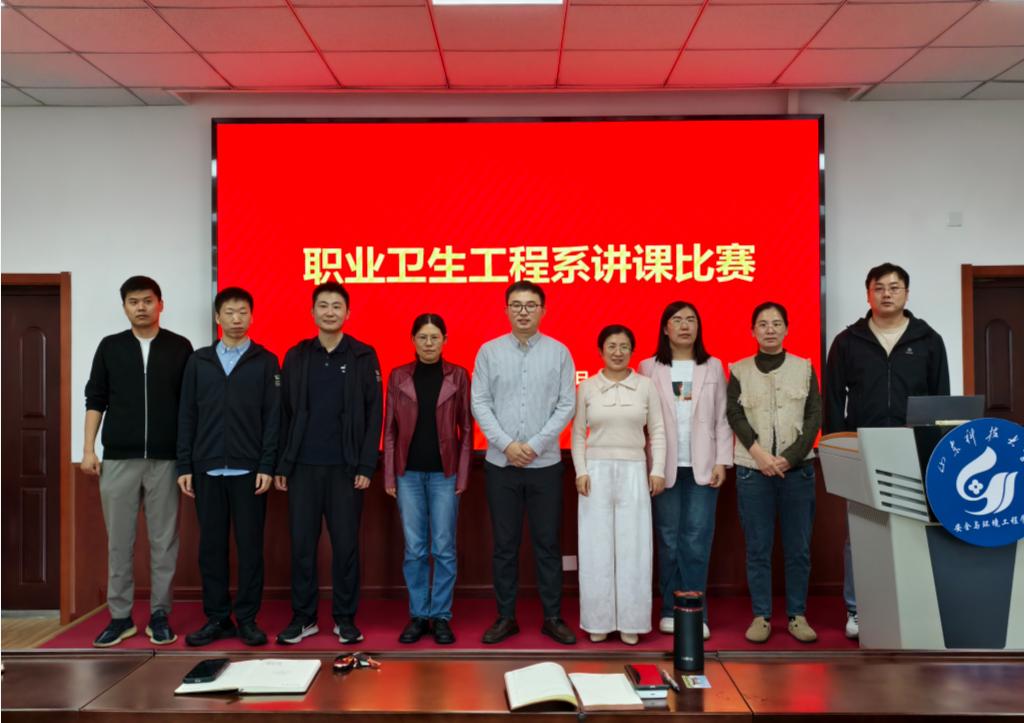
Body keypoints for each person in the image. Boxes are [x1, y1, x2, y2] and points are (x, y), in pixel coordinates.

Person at [824, 262, 949, 639]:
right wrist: (838, 447)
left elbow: (940, 397)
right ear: (868, 294)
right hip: (864, 446)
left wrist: (935, 449)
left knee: (913, 527)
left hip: (914, 448)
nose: (887, 294)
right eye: (879, 288)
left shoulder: (928, 340)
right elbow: (833, 400)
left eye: (894, 287)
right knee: (860, 531)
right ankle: (857, 608)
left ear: (906, 293)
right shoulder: (848, 341)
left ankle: (913, 605)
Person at [83, 276, 193, 647]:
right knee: (119, 542)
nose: (141, 307)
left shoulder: (179, 347)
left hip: (166, 460)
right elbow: (95, 399)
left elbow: (189, 406)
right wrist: (88, 449)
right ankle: (120, 617)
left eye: (147, 300)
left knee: (164, 542)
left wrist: (187, 458)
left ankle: (160, 614)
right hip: (118, 460)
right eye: (133, 301)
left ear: (161, 304)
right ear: (125, 307)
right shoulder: (110, 347)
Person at [274, 281, 383, 646]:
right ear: (312, 312)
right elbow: (284, 414)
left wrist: (366, 466)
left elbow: (374, 414)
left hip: (346, 469)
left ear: (348, 313)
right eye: (323, 305)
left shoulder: (363, 356)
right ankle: (303, 617)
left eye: (337, 306)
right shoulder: (296, 355)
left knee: (346, 547)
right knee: (302, 546)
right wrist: (283, 465)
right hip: (302, 467)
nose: (330, 311)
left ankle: (344, 619)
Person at [471, 281, 577, 645]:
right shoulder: (489, 351)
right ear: (505, 310)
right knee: (504, 545)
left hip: (545, 465)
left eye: (531, 305)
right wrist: (506, 445)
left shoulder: (560, 352)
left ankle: (552, 617)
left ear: (543, 311)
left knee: (547, 544)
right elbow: (480, 403)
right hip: (501, 466)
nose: (523, 311)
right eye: (516, 305)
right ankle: (505, 617)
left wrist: (533, 445)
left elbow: (566, 404)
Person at [176, 287, 280, 647]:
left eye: (243, 312)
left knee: (250, 549)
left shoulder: (266, 361)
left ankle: (247, 619)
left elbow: (273, 418)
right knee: (211, 548)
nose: (236, 319)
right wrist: (184, 464)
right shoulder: (199, 361)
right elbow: (187, 415)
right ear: (217, 317)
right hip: (206, 470)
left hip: (249, 472)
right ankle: (217, 618)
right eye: (230, 312)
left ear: (252, 316)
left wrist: (267, 464)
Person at [727, 302, 822, 644]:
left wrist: (789, 458)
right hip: (753, 471)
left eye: (776, 323)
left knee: (798, 548)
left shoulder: (804, 368)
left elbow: (814, 416)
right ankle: (762, 616)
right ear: (752, 331)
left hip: (798, 471)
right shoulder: (739, 370)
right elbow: (734, 415)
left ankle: (797, 615)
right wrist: (760, 455)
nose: (770, 329)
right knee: (758, 548)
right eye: (763, 324)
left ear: (786, 329)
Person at [639, 301, 732, 641]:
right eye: (677, 320)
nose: (684, 325)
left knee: (696, 540)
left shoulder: (712, 366)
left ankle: (695, 612)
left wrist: (722, 460)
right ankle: (669, 610)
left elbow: (722, 418)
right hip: (663, 467)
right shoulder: (648, 367)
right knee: (667, 540)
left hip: (702, 466)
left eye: (691, 319)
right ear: (665, 328)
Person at [572, 325, 665, 645]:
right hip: (595, 472)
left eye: (624, 346)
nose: (617, 352)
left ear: (632, 351)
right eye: (611, 346)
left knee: (634, 548)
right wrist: (581, 471)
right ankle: (597, 621)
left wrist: (658, 469)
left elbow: (658, 430)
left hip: (634, 470)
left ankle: (631, 622)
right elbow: (578, 434)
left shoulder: (645, 386)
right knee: (595, 548)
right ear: (600, 351)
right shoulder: (587, 387)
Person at [383, 314, 472, 645]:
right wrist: (390, 474)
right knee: (415, 549)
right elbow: (389, 430)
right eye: (423, 337)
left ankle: (442, 616)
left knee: (444, 548)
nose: (429, 343)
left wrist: (463, 474)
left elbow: (467, 430)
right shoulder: (398, 376)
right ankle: (419, 615)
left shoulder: (458, 376)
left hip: (445, 475)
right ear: (413, 340)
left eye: (435, 337)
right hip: (407, 474)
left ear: (445, 340)